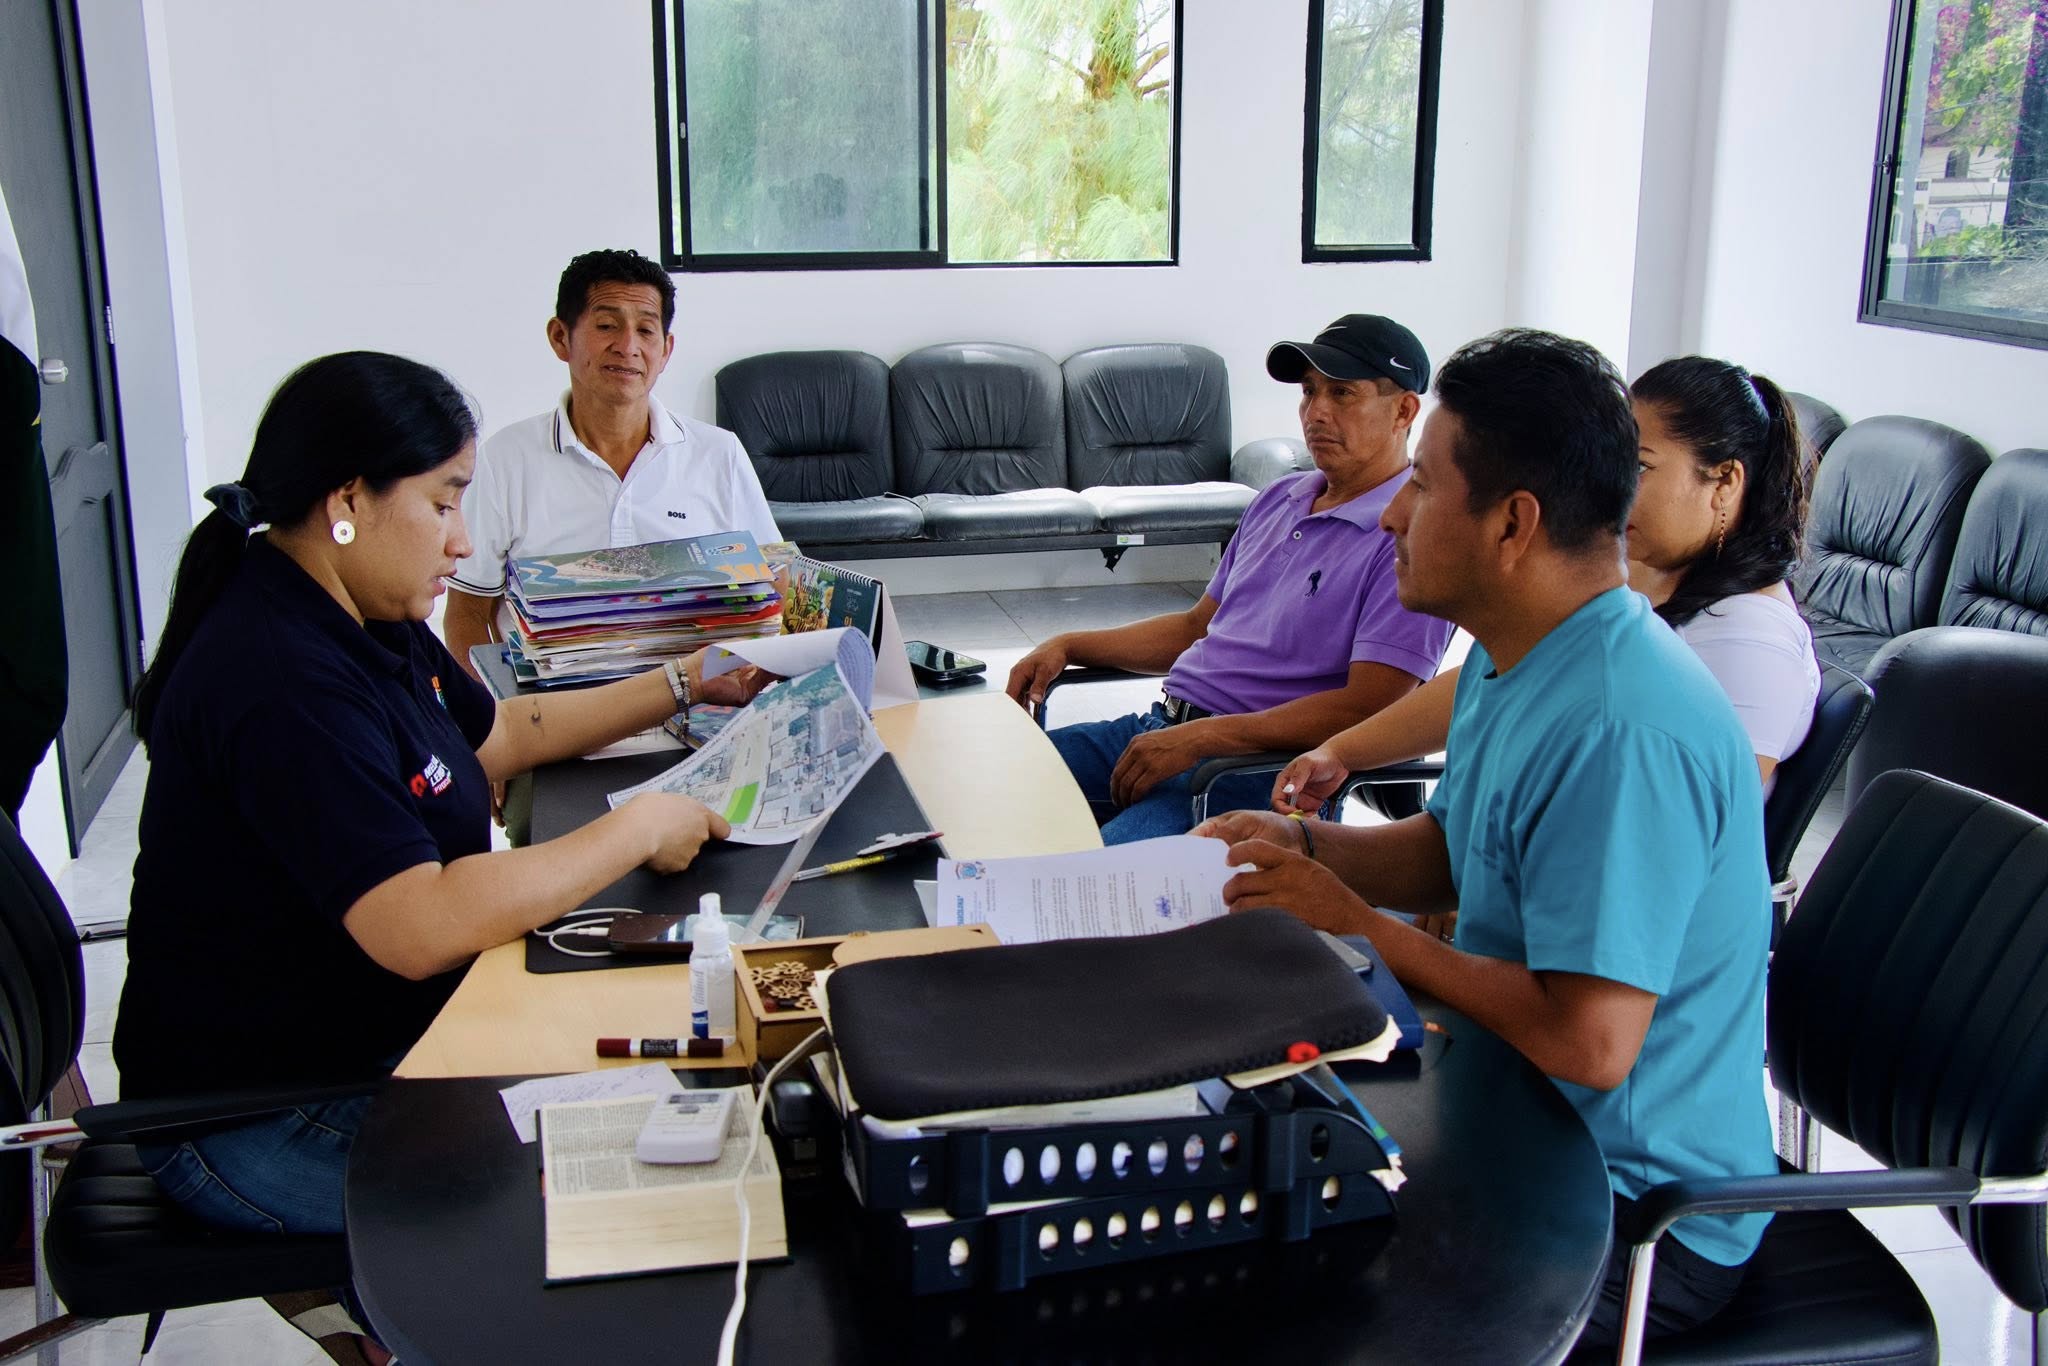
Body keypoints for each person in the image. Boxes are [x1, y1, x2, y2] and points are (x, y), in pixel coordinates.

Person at [114, 353, 762, 1364]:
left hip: (366, 1047)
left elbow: (495, 735)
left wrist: (682, 680)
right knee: (609, 1188)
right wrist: (639, 826)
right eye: (444, 502)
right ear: (347, 502)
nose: (463, 540)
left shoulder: (362, 608)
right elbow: (418, 922)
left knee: (655, 1089)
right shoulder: (278, 674)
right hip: (256, 1115)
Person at [1198, 330, 1777, 1346]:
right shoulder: (1523, 658)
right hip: (1510, 1113)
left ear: (1512, 524)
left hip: (1627, 1211)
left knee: (1276, 1306)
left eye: (1422, 486)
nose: (1391, 514)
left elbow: (1592, 1042)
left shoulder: (1621, 725)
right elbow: (1452, 850)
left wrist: (1360, 925)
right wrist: (1303, 847)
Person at [1270, 354, 1819, 814]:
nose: (1616, 489)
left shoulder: (1750, 637)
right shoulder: (1643, 585)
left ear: (1724, 481)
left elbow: (1678, 832)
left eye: (1640, 468)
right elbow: (1493, 679)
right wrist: (1343, 751)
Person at [1004, 314, 1454, 843]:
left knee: (1105, 878)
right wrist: (1069, 644)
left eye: (1342, 393)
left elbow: (1370, 706)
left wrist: (1203, 738)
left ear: (1404, 411)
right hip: (1162, 732)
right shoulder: (1278, 499)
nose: (1316, 412)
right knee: (982, 782)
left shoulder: (1406, 537)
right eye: (1309, 392)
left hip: (1255, 776)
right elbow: (1197, 628)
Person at [442, 247, 781, 674]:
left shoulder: (718, 454)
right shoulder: (505, 460)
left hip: (697, 697)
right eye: (606, 326)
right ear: (560, 337)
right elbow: (468, 613)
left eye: (646, 330)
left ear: (666, 349)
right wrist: (495, 707)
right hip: (557, 706)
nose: (628, 347)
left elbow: (774, 587)